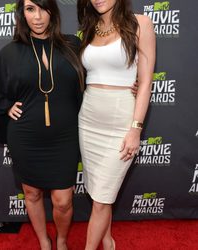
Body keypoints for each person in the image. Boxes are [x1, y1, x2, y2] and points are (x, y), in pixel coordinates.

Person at [0, 0, 84, 249]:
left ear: (53, 11)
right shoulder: (11, 52)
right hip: (26, 136)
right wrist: (5, 106)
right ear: (22, 14)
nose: (37, 16)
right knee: (32, 194)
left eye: (43, 8)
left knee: (63, 201)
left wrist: (126, 85)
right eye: (30, 9)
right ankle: (44, 242)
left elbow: (97, 74)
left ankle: (61, 241)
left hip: (65, 136)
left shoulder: (73, 45)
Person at [77, 0, 156, 249]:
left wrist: (135, 128)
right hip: (88, 119)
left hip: (121, 119)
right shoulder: (90, 28)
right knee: (99, 194)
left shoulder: (140, 24)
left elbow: (145, 83)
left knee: (102, 198)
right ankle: (108, 241)